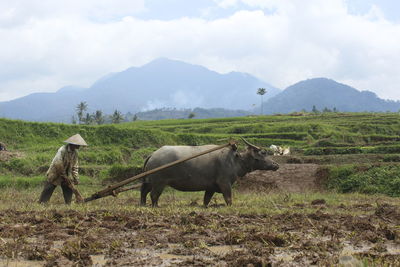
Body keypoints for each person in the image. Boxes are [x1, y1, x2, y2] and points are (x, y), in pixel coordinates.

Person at [39, 134, 87, 204]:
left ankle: (68, 203)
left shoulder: (75, 153)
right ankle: (42, 202)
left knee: (68, 187)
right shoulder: (62, 150)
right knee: (49, 187)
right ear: (73, 144)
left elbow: (75, 167)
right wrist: (64, 175)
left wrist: (76, 178)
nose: (79, 146)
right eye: (78, 144)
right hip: (55, 172)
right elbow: (58, 163)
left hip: (67, 173)